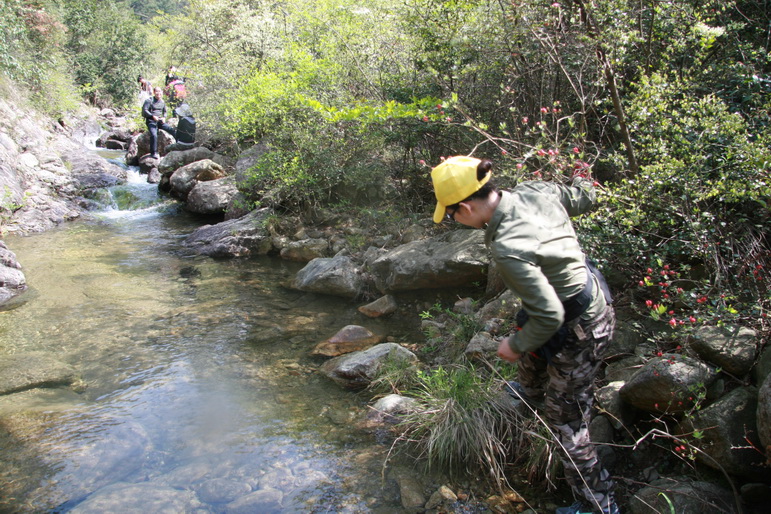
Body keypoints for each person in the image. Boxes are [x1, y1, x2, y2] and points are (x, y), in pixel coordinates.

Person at [430, 156, 619, 514]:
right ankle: (528, 396)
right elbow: (586, 195)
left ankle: (598, 505)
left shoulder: (507, 248)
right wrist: (582, 172)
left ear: (467, 208)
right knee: (524, 320)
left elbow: (550, 315)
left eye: (451, 214)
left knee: (567, 422)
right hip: (584, 291)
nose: (453, 219)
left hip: (583, 324)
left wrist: (513, 346)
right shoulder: (536, 191)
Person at [141, 87, 176, 159]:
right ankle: (153, 153)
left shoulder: (162, 102)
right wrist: (152, 116)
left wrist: (164, 117)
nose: (158, 93)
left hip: (160, 121)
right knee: (154, 135)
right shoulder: (149, 100)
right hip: (151, 121)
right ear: (154, 92)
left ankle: (179, 145)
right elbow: (145, 110)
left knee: (172, 130)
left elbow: (165, 111)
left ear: (162, 93)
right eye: (157, 91)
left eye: (160, 91)